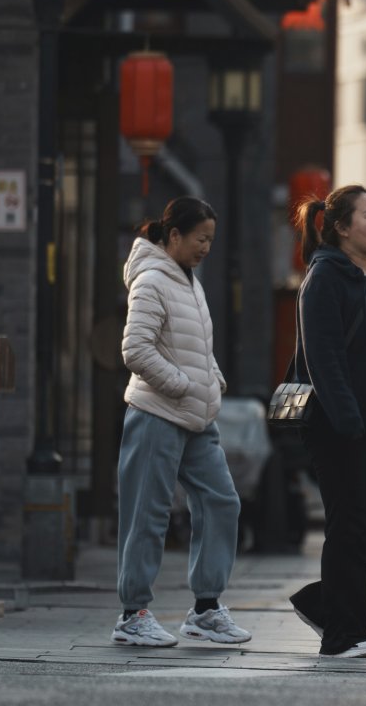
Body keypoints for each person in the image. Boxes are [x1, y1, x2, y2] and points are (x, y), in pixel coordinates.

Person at [113, 196, 250, 647]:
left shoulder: (188, 280)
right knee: (147, 515)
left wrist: (211, 378)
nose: (206, 246)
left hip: (196, 416)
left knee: (222, 502)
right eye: (200, 238)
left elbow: (194, 345)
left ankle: (206, 610)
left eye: (211, 239)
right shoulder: (152, 280)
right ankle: (133, 615)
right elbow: (135, 350)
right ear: (173, 236)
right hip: (156, 414)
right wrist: (180, 384)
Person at [287, 185, 366, 658]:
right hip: (338, 425)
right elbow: (325, 360)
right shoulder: (323, 280)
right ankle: (344, 634)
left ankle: (325, 604)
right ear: (340, 227)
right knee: (350, 526)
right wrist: (348, 421)